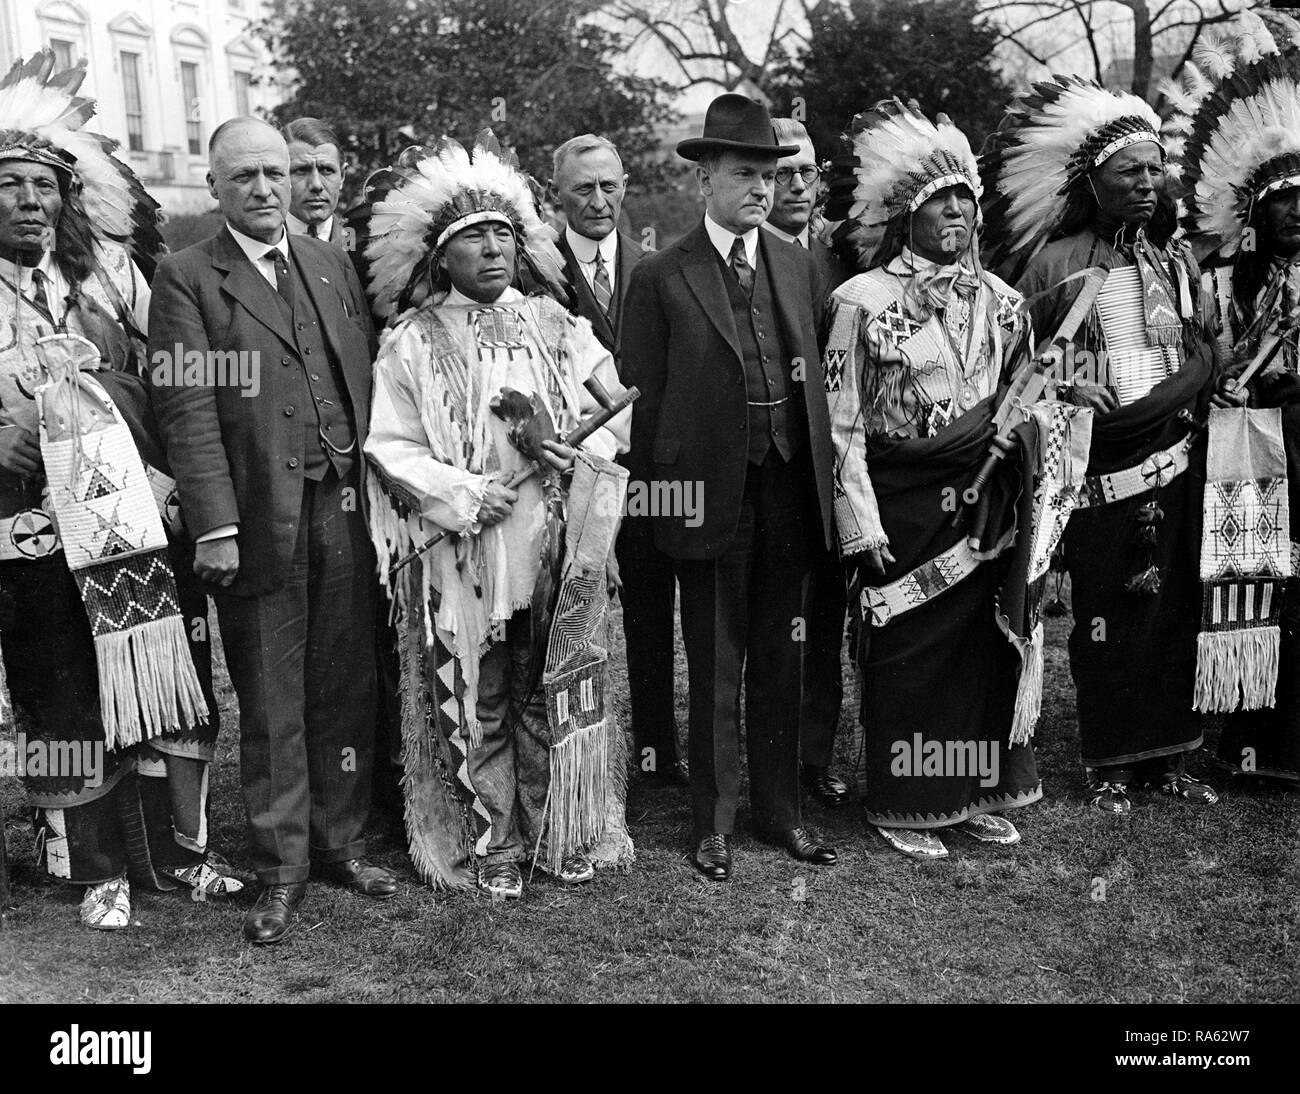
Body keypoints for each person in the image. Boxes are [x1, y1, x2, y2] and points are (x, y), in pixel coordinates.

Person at [0, 50, 238, 929]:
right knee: (62, 691)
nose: (30, 200)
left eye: (45, 185)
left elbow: (178, 372)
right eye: (10, 184)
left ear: (69, 199)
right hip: (31, 532)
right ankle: (94, 868)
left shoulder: (112, 278)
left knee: (169, 680)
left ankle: (182, 855)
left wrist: (157, 456)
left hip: (136, 515)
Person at [363, 133, 633, 900]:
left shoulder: (557, 327)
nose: (492, 250)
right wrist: (466, 492)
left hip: (554, 540)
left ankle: (560, 827)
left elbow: (616, 413)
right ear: (439, 256)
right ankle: (491, 840)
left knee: (555, 685)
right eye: (473, 238)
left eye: (504, 235)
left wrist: (575, 449)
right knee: (477, 695)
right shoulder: (412, 342)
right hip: (467, 555)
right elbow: (390, 446)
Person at [149, 116, 393, 945]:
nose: (264, 190)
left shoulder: (329, 263)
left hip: (346, 512)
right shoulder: (187, 276)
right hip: (256, 524)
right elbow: (186, 414)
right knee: (272, 697)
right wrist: (214, 526)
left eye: (275, 174)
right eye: (244, 176)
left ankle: (341, 844)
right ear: (214, 188)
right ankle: (281, 870)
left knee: (344, 684)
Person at [821, 99, 1076, 859]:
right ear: (906, 216)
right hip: (903, 503)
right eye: (941, 201)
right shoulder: (857, 303)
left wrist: (1029, 431)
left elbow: (1027, 399)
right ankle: (905, 803)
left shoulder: (1003, 301)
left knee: (976, 650)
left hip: (986, 503)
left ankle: (966, 794)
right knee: (910, 653)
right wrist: (859, 523)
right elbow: (840, 424)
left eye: (967, 198)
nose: (959, 211)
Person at [983, 75, 1221, 814]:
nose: (1147, 184)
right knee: (1108, 620)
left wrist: (1202, 373)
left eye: (1155, 170)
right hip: (1099, 471)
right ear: (1094, 182)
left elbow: (1197, 346)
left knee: (1176, 610)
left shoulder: (1170, 262)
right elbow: (1021, 373)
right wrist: (1067, 396)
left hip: (1176, 468)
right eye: (1130, 172)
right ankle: (1111, 762)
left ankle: (1170, 760)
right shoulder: (1056, 266)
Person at [621, 94, 838, 881]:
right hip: (705, 494)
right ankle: (711, 822)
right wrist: (649, 509)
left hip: (789, 490)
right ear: (704, 178)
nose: (762, 188)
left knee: (786, 652)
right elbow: (640, 407)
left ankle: (781, 812)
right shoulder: (659, 275)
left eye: (771, 175)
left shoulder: (797, 260)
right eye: (746, 173)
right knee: (714, 658)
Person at [1170, 10, 1300, 789]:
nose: (1297, 209)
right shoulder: (1218, 282)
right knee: (1257, 580)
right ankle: (1250, 740)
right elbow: (1201, 357)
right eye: (1282, 198)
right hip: (1244, 439)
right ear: (1252, 209)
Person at [550, 134, 683, 787]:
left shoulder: (657, 266)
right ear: (557, 195)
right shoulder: (535, 269)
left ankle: (658, 754)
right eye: (583, 188)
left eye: (608, 186)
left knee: (655, 610)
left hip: (651, 474)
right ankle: (579, 761)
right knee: (575, 613)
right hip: (573, 475)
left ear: (626, 186)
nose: (598, 201)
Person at [765, 116, 851, 807]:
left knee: (825, 615)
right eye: (782, 171)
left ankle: (814, 756)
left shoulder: (842, 254)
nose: (797, 185)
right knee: (770, 618)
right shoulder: (747, 255)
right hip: (770, 464)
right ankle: (769, 751)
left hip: (839, 467)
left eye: (808, 172)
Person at [282, 117, 347, 247]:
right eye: (301, 170)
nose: (316, 185)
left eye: (327, 170)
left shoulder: (363, 246)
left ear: (342, 176)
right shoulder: (263, 246)